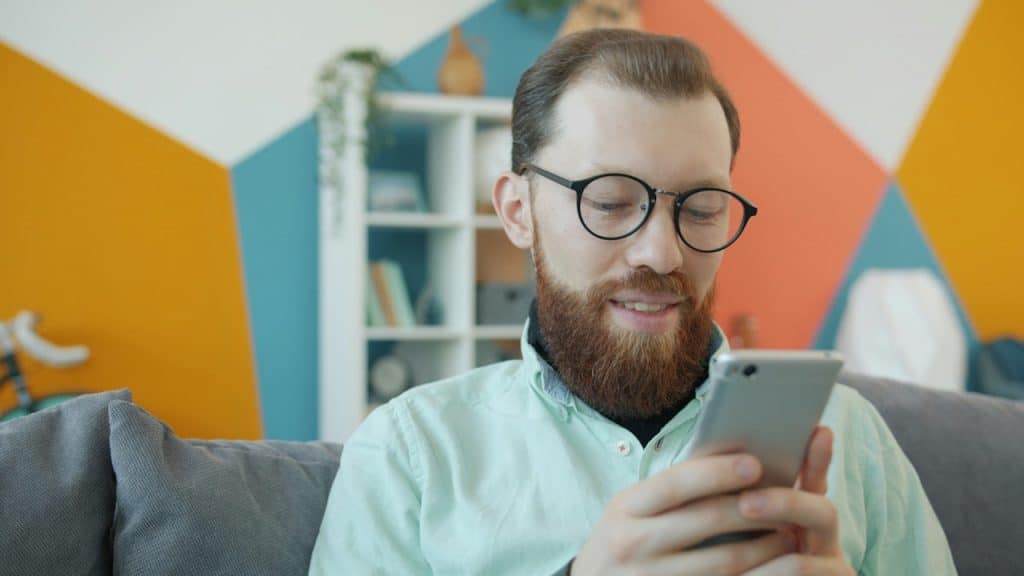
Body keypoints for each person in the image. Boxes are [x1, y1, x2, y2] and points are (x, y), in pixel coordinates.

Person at [309, 29, 956, 575]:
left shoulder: (849, 436)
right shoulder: (410, 455)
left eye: (700, 209)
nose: (661, 253)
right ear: (517, 210)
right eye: (611, 201)